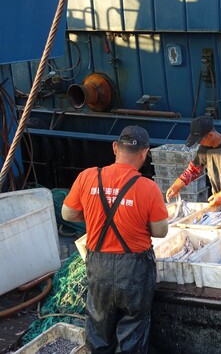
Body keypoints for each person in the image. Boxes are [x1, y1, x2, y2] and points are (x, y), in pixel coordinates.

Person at [61, 125, 169, 353]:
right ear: (144, 153)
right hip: (134, 270)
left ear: (114, 148)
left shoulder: (87, 177)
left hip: (98, 265)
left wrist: (93, 215)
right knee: (133, 328)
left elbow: (68, 214)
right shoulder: (148, 188)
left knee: (99, 326)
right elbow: (160, 231)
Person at [165, 115, 221, 206]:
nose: (198, 143)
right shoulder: (203, 149)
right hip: (219, 201)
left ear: (210, 135)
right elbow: (193, 170)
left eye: (199, 140)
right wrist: (176, 186)